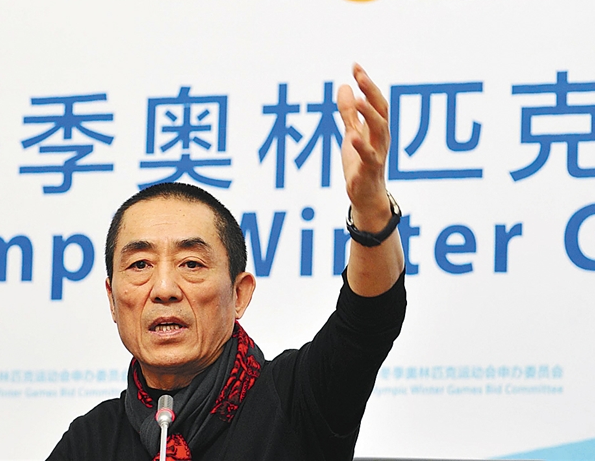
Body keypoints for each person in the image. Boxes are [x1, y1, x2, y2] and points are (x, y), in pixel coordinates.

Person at [47, 64, 406, 460]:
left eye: (191, 264)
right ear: (112, 300)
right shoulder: (90, 441)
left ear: (239, 294)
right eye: (140, 265)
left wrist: (371, 209)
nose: (164, 289)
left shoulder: (298, 398)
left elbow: (366, 324)